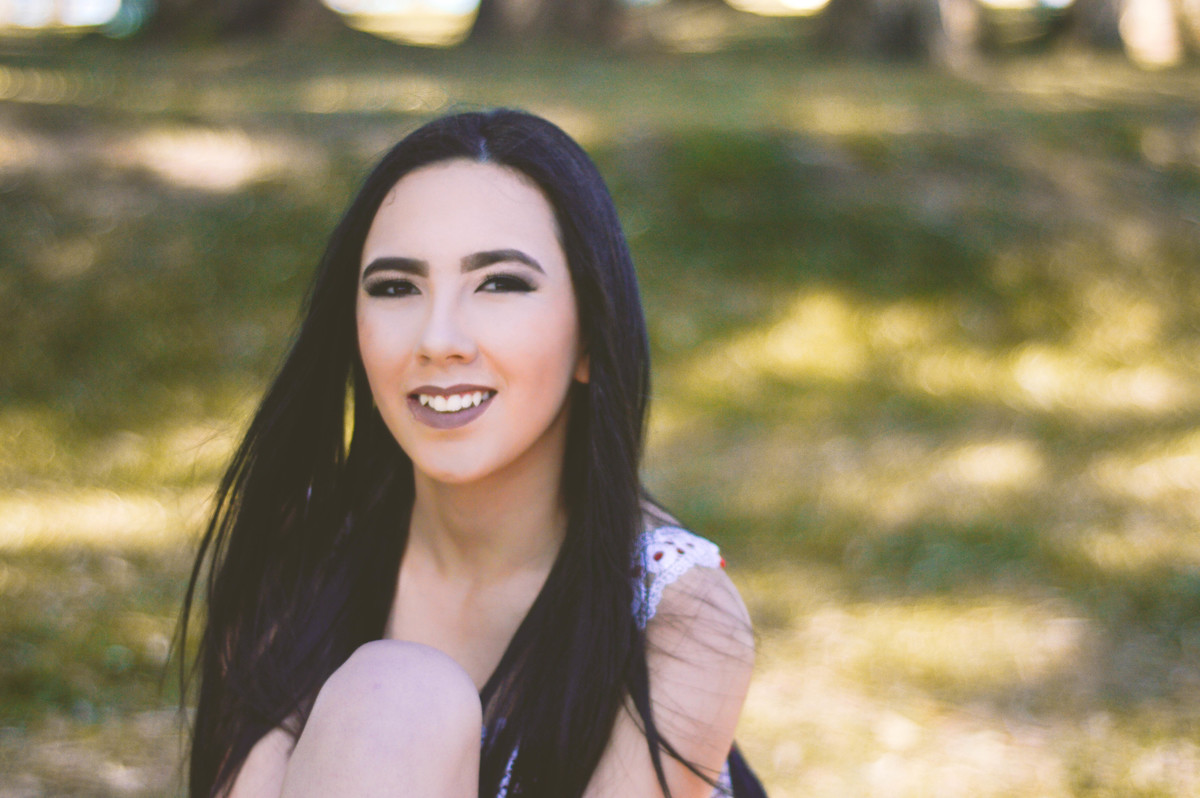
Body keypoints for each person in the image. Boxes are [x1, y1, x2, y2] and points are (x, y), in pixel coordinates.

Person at [179, 108, 766, 798]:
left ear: (590, 335)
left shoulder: (681, 618)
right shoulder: (307, 555)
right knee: (396, 695)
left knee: (401, 694)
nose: (439, 339)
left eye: (500, 283)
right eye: (395, 287)